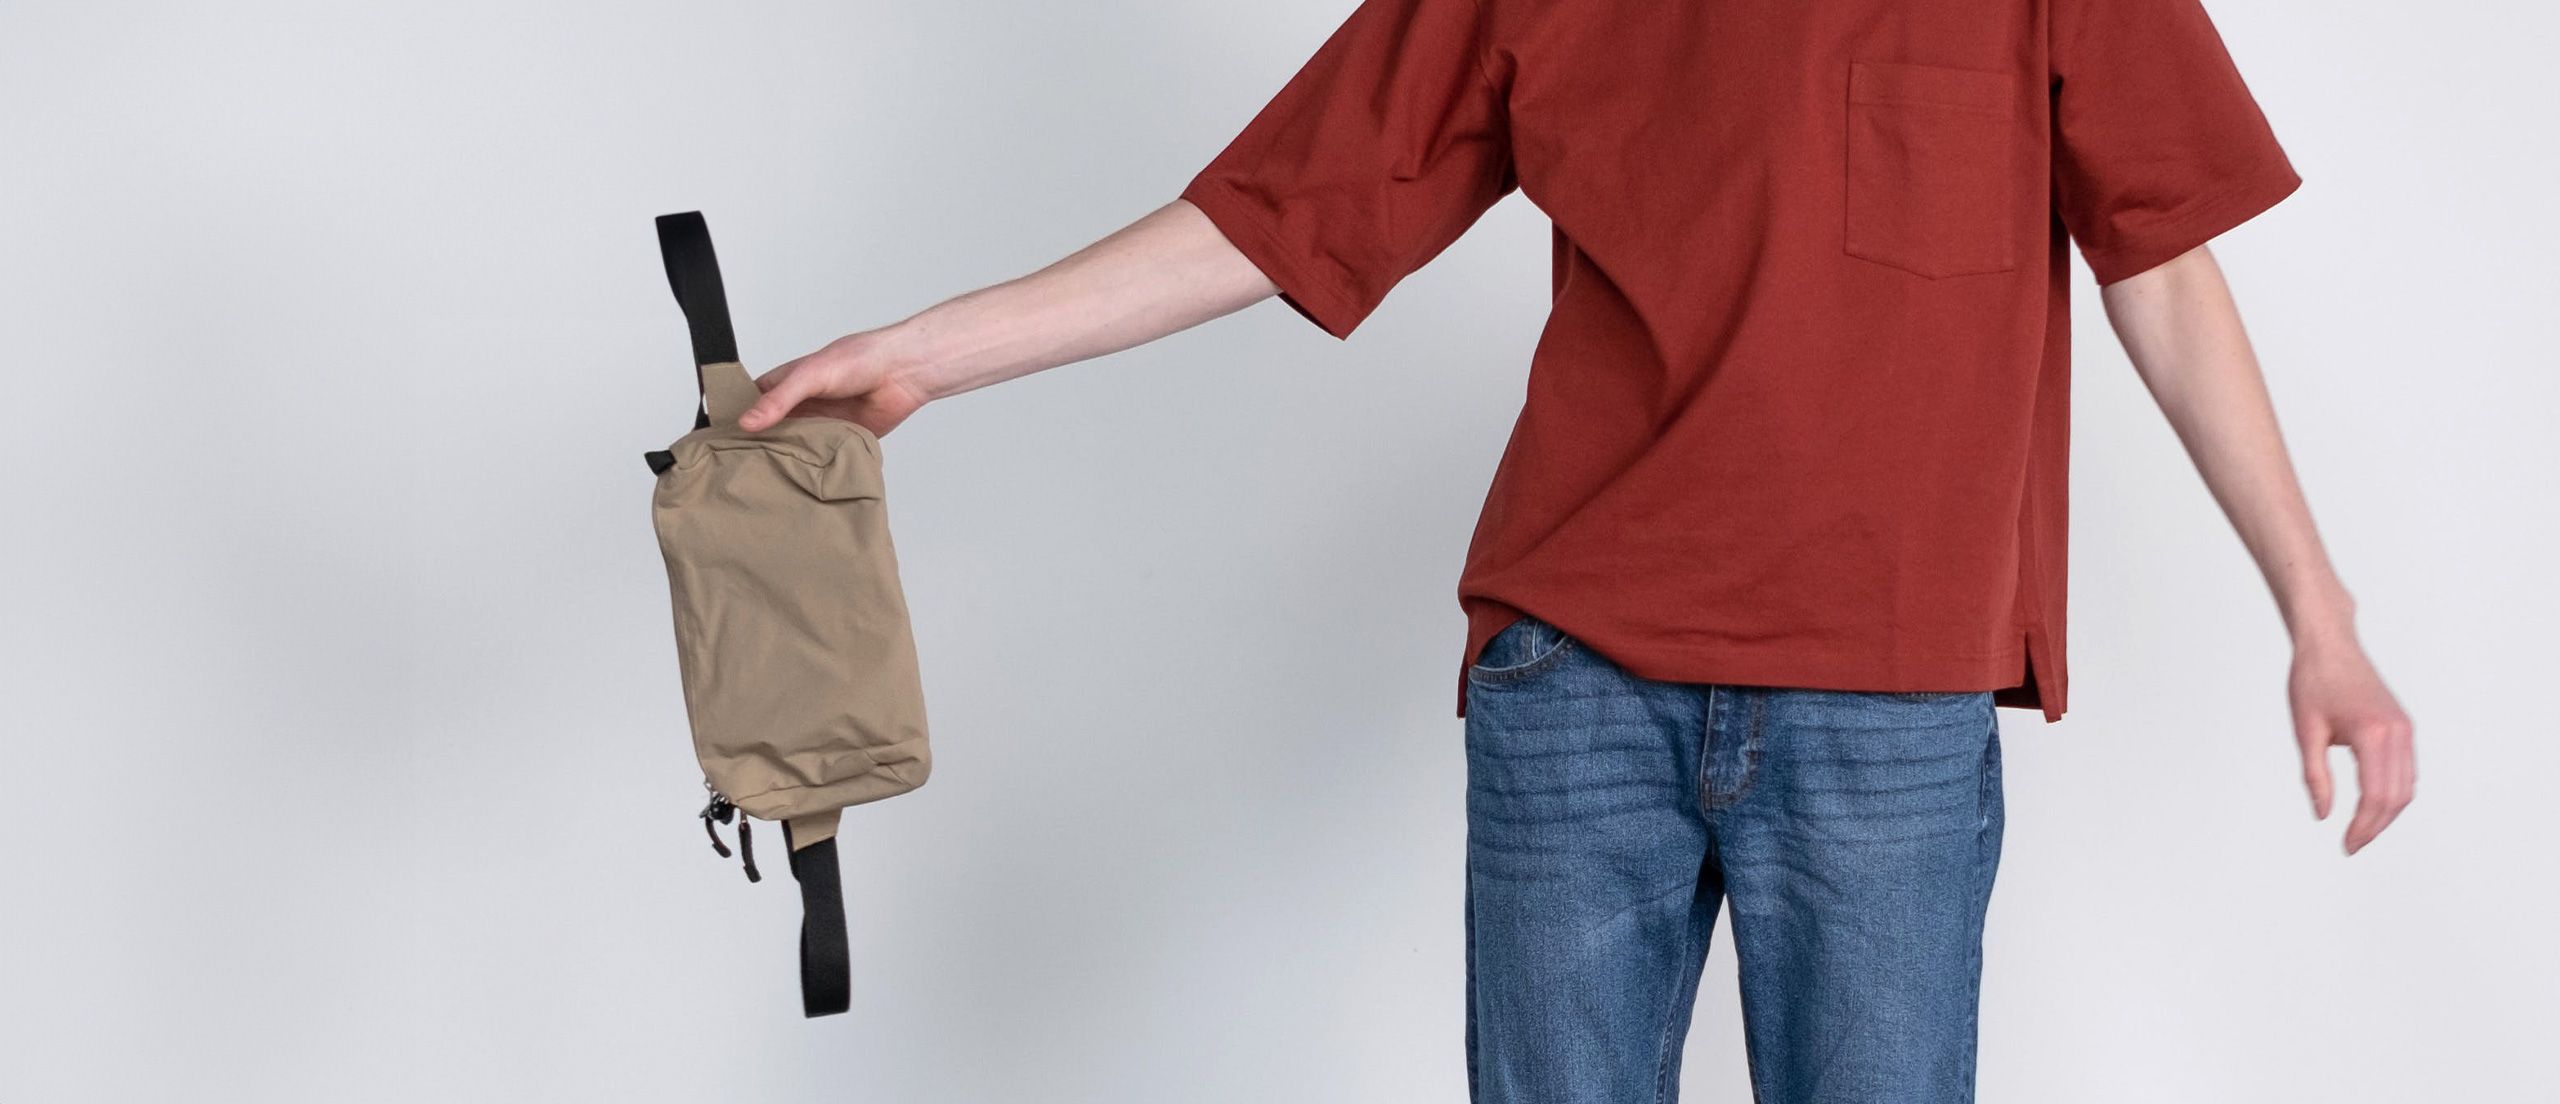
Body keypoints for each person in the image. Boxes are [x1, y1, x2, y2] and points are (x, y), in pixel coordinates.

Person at [738, 0, 2416, 1098]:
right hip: (1578, 684)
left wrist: (2319, 615)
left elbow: (2162, 269)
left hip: (1885, 707)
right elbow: (1274, 214)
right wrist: (927, 353)